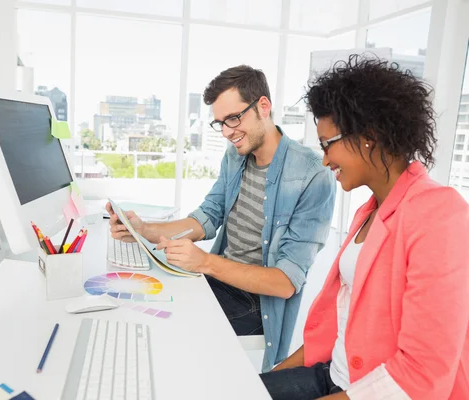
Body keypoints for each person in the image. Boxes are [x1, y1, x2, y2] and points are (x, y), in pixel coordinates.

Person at [260, 55, 469, 400]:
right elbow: (336, 330)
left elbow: (421, 375)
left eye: (328, 144)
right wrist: (263, 379)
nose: (325, 160)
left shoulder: (441, 215)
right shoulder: (369, 211)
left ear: (369, 135)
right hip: (332, 375)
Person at [106, 65, 336, 371]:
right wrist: (145, 229)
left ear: (263, 107)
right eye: (220, 123)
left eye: (233, 118)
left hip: (256, 302)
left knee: (159, 328)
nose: (227, 131)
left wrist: (203, 262)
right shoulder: (236, 155)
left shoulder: (312, 174)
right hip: (217, 279)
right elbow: (207, 217)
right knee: (141, 300)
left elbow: (285, 283)